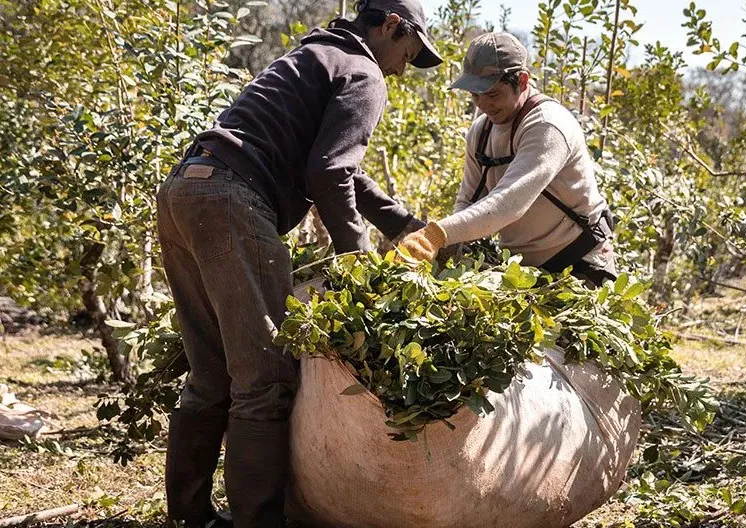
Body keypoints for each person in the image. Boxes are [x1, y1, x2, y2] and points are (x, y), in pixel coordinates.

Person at [155, 1, 441, 526]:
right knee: (264, 378)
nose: (403, 67)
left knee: (211, 372)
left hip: (186, 190)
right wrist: (363, 269)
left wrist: (405, 225)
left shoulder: (319, 55)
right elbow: (330, 172)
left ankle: (188, 517)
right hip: (231, 202)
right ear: (392, 26)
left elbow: (336, 171)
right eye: (409, 50)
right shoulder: (364, 74)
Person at [398, 32, 618, 285]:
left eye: (492, 94)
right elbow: (468, 201)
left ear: (522, 82)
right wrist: (445, 250)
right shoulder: (481, 132)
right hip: (523, 272)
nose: (483, 104)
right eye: (475, 95)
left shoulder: (547, 126)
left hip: (580, 266)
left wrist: (437, 234)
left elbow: (509, 203)